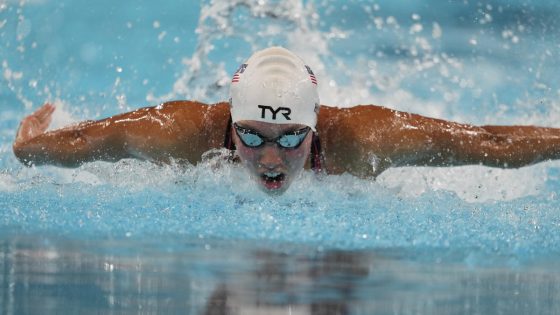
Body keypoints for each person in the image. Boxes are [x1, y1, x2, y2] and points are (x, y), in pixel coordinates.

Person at [12, 47, 560, 194]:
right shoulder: (178, 133)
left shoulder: (366, 138)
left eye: (292, 138)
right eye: (251, 136)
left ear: (315, 129)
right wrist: (32, 147)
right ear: (229, 124)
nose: (271, 158)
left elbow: (488, 142)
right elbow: (86, 140)